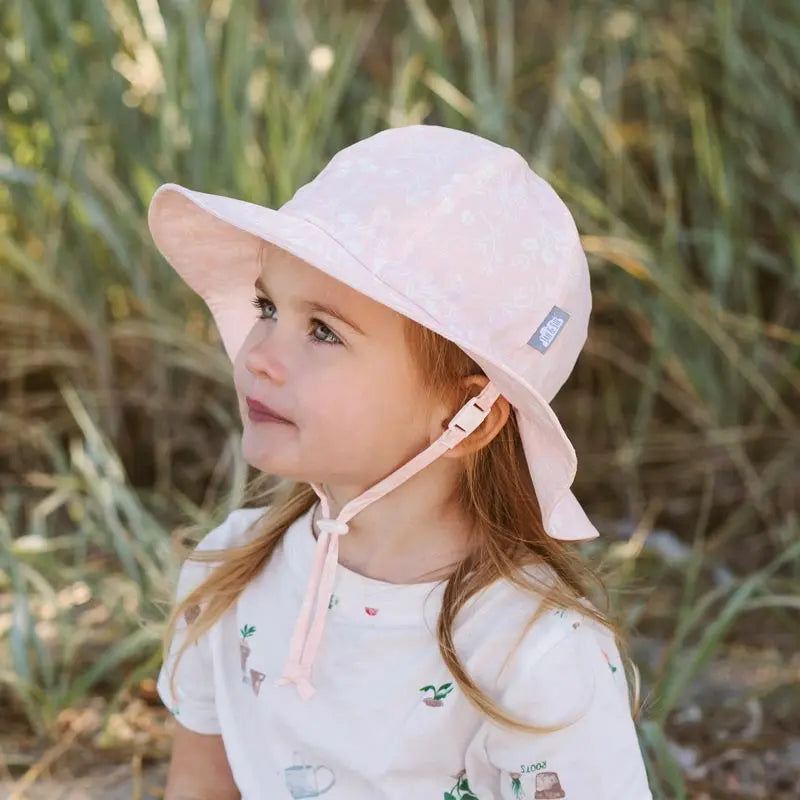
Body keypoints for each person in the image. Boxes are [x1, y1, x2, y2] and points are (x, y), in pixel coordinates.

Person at [148, 124, 653, 799]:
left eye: (323, 331)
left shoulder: (531, 652)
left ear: (466, 415)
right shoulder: (229, 575)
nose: (259, 355)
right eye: (267, 306)